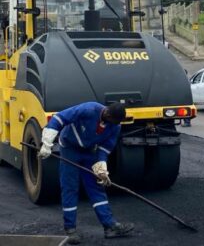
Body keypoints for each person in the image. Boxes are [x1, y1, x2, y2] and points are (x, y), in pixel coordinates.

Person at [38, 102, 134, 244]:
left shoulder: (116, 126)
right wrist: (47, 143)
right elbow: (59, 119)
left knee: (96, 187)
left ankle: (109, 226)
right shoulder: (89, 109)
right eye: (114, 122)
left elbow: (105, 147)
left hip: (89, 151)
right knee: (70, 187)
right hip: (69, 149)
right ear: (107, 114)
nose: (115, 125)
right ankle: (70, 230)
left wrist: (101, 166)